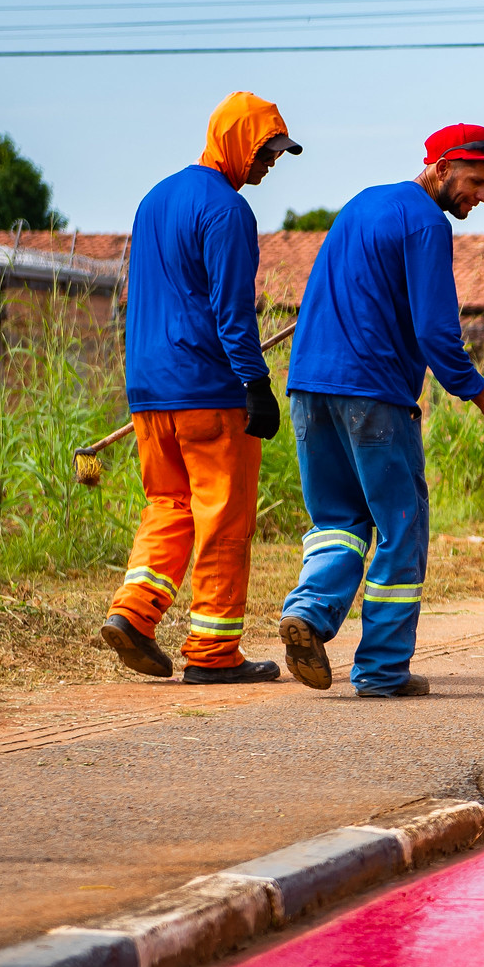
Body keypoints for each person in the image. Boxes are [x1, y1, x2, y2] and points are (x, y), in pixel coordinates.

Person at [276, 124, 484, 698]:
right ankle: (380, 670)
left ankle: (308, 613)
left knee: (339, 522)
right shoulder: (426, 223)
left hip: (307, 388)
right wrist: (483, 397)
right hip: (372, 395)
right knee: (401, 526)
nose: (482, 194)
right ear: (442, 168)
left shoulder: (363, 205)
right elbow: (435, 329)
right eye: (476, 181)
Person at [98, 91, 301, 685]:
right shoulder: (229, 212)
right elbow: (232, 312)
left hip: (149, 391)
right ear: (237, 142)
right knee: (224, 518)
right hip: (209, 391)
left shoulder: (153, 200)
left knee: (169, 506)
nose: (270, 165)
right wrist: (255, 382)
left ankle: (133, 615)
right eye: (266, 152)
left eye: (278, 154)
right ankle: (213, 655)